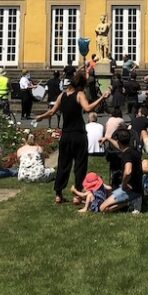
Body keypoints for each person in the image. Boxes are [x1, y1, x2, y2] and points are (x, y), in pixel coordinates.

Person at [33, 68, 111, 204]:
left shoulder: (62, 95)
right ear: (81, 85)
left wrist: (41, 116)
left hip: (66, 134)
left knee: (63, 164)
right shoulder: (80, 94)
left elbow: (52, 111)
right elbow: (87, 109)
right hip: (79, 134)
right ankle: (77, 195)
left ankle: (58, 193)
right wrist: (102, 98)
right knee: (80, 165)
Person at [98, 129, 144, 213]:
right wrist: (108, 138)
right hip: (138, 189)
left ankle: (130, 202)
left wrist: (123, 185)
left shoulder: (127, 155)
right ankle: (133, 200)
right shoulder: (134, 151)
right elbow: (119, 146)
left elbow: (128, 171)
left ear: (118, 141)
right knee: (110, 196)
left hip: (130, 190)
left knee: (102, 208)